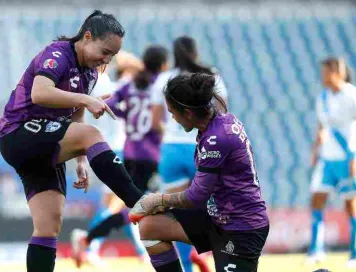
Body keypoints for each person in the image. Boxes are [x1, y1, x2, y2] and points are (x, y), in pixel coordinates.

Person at [0, 10, 144, 272]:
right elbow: (41, 93)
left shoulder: (89, 72)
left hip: (45, 142)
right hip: (19, 133)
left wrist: (80, 159)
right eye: (105, 51)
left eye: (112, 55)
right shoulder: (57, 54)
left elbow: (75, 113)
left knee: (48, 225)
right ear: (87, 37)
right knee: (93, 135)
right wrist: (86, 100)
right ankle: (138, 202)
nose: (107, 59)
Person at [130, 73, 269, 272]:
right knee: (150, 227)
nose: (172, 118)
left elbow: (196, 196)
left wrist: (157, 200)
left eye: (173, 112)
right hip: (217, 217)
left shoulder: (217, 138)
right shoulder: (217, 124)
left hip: (241, 226)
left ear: (187, 112)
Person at [71, 45, 169, 267]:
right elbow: (155, 121)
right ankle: (89, 241)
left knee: (130, 205)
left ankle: (138, 249)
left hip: (125, 151)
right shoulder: (153, 86)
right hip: (133, 152)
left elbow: (113, 105)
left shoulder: (127, 86)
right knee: (132, 205)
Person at [150, 35, 228, 272]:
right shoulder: (211, 75)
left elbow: (155, 122)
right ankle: (225, 263)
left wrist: (173, 131)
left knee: (179, 214)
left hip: (172, 150)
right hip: (202, 148)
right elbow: (223, 115)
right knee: (217, 209)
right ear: (196, 51)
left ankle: (186, 267)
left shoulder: (164, 78)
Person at [80, 51, 143, 266]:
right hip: (118, 149)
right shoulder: (115, 86)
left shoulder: (104, 85)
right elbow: (141, 68)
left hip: (103, 146)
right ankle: (87, 244)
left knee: (120, 205)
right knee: (120, 203)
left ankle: (142, 252)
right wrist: (121, 55)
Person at [308, 57, 356, 267]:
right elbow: (321, 125)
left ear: (337, 72)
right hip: (327, 159)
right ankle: (316, 251)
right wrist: (316, 150)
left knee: (351, 205)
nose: (322, 76)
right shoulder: (323, 98)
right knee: (317, 199)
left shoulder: (351, 95)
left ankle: (354, 254)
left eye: (325, 72)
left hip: (348, 158)